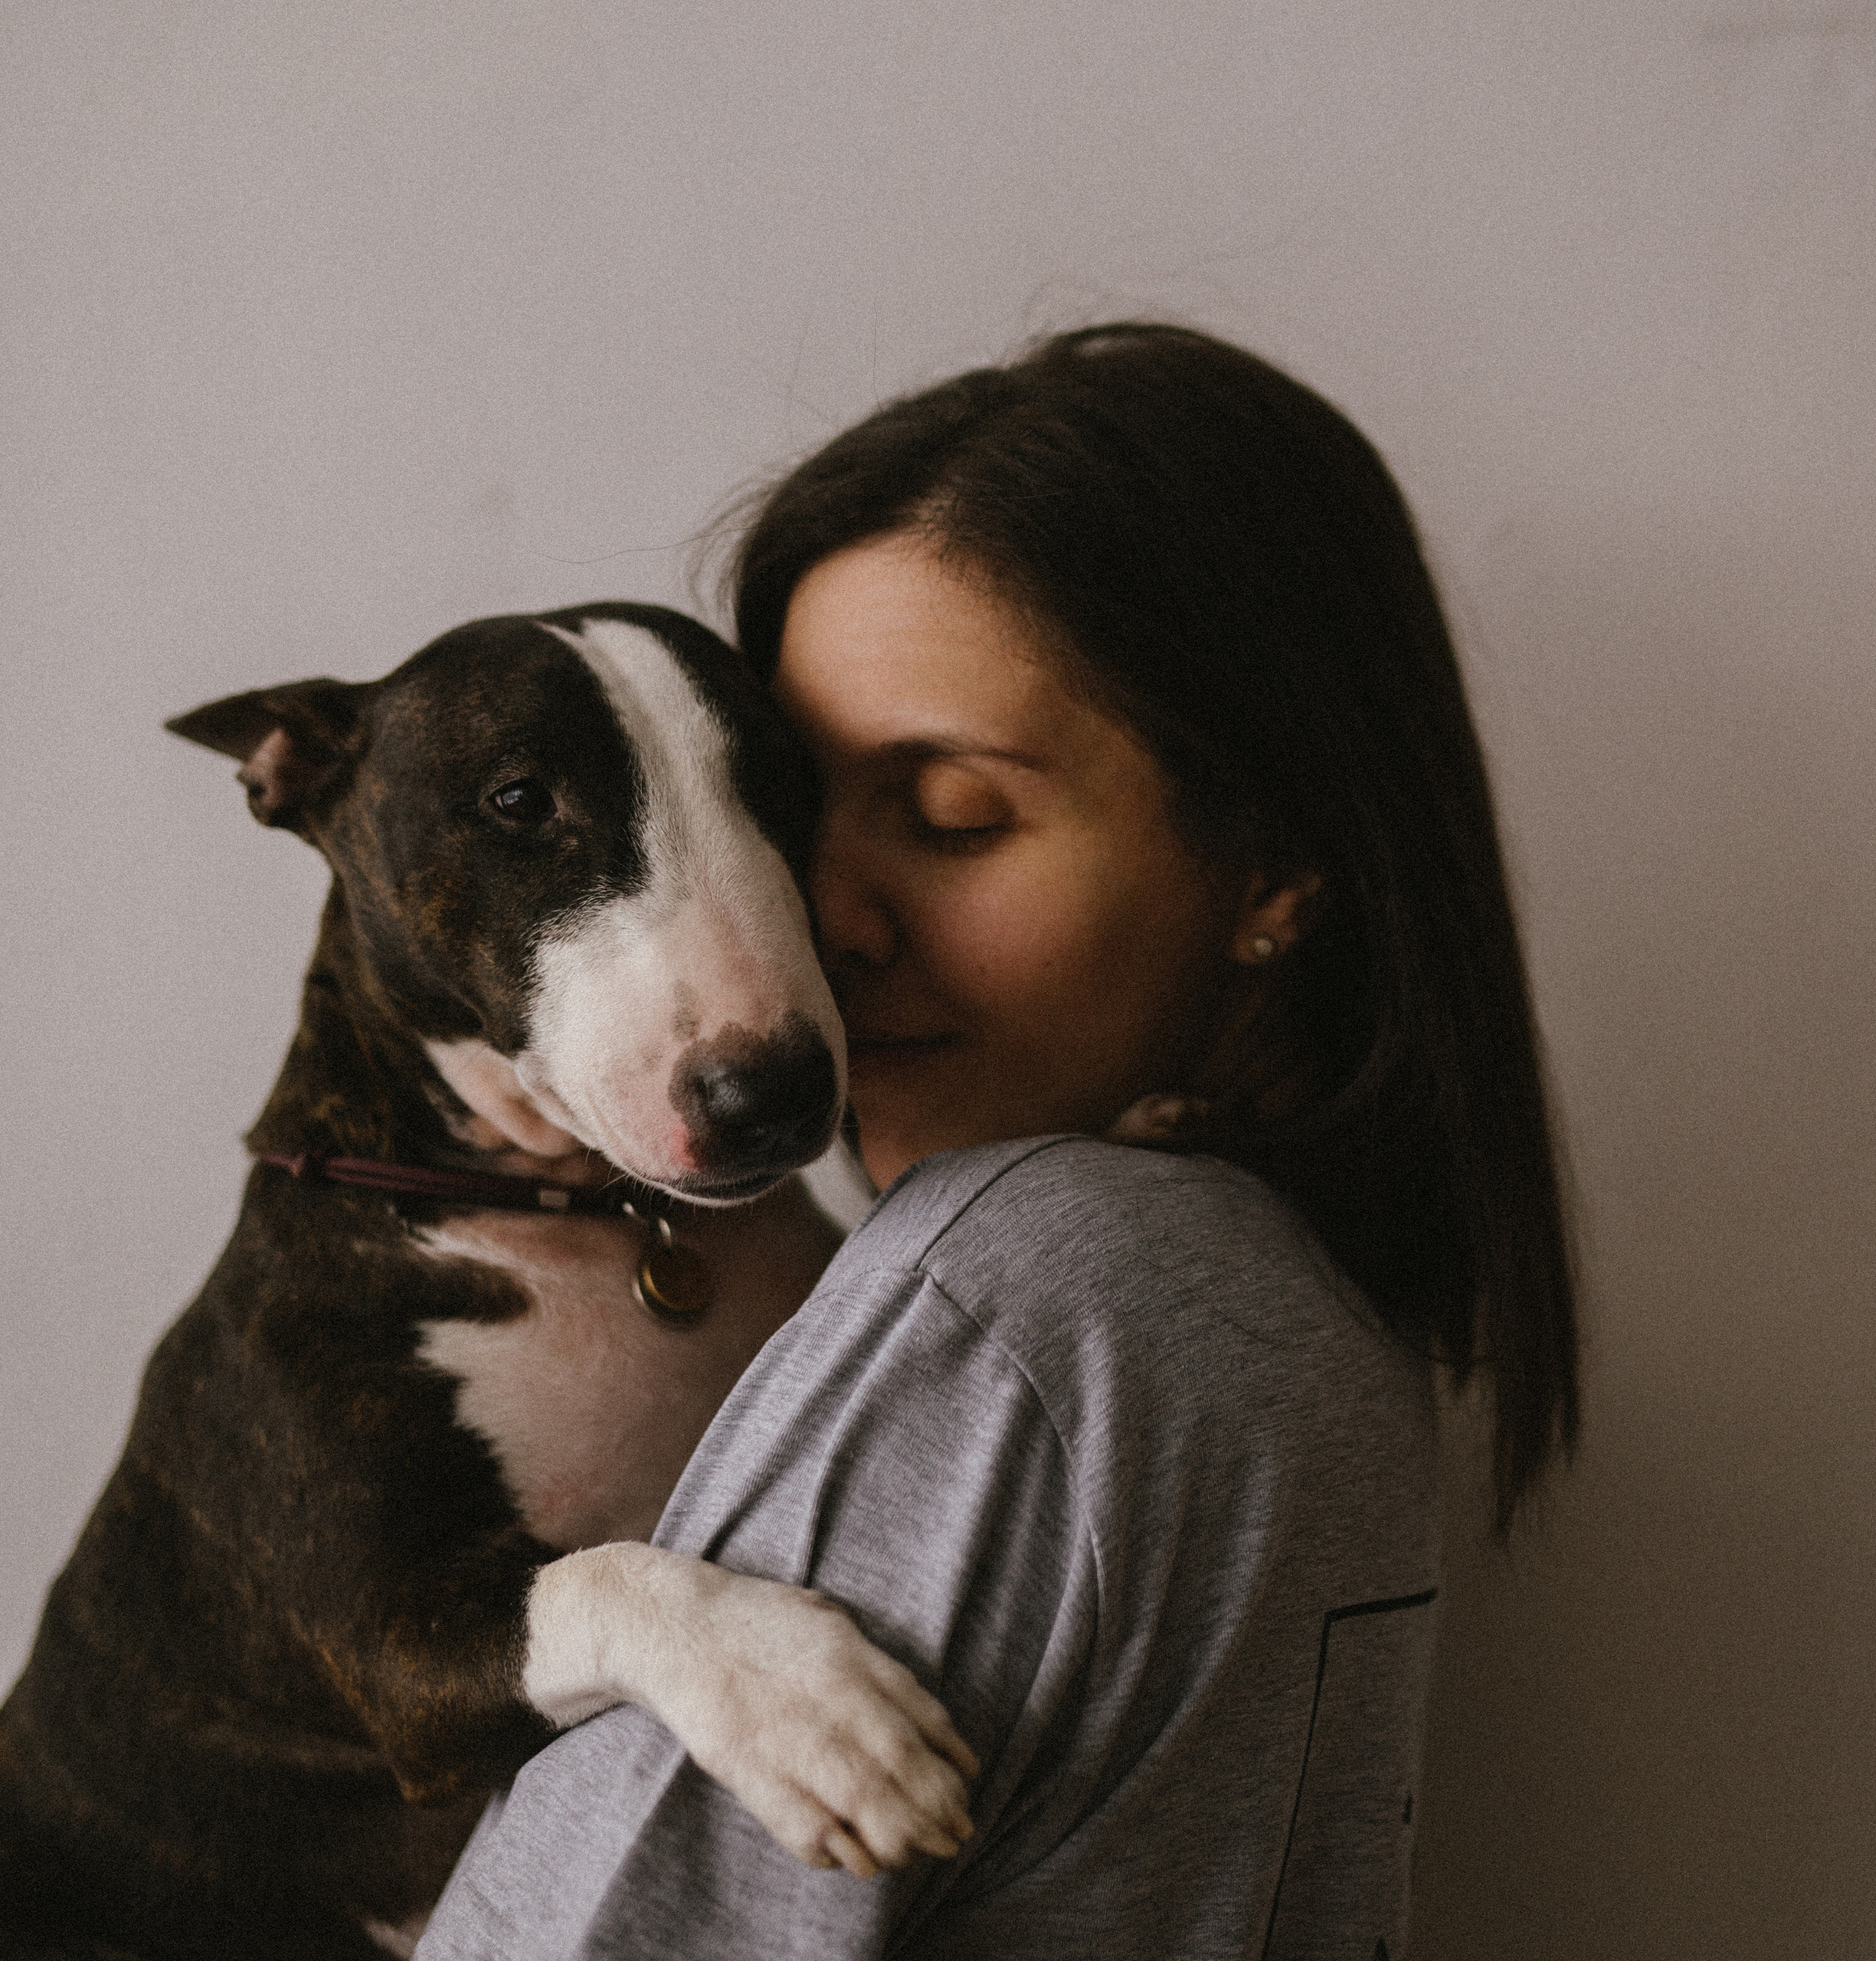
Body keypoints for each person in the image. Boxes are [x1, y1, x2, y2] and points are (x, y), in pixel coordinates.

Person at [418, 322, 1579, 1959]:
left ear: (1273, 863)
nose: (820, 924)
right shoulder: (1308, 1308)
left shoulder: (1030, 1291)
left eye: (955, 815)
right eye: (789, 815)